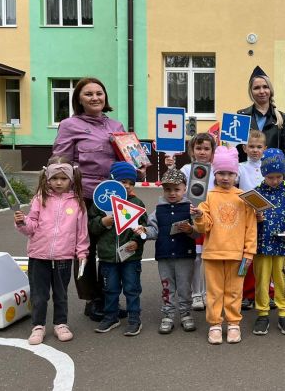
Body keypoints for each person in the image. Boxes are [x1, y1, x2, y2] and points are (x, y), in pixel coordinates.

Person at [52, 77, 125, 321]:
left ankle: (109, 297)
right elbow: (59, 163)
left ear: (105, 97)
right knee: (84, 250)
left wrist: (136, 167)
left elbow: (126, 158)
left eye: (99, 93)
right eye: (88, 94)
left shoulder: (116, 124)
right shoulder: (69, 125)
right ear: (79, 100)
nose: (95, 97)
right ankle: (92, 300)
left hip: (112, 196)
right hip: (83, 197)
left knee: (109, 249)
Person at [14, 157, 89, 345]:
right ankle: (38, 326)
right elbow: (30, 227)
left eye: (63, 178)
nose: (58, 182)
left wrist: (82, 252)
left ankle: (60, 324)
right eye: (54, 178)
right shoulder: (40, 199)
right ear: (47, 178)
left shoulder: (77, 202)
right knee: (39, 294)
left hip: (64, 256)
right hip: (38, 255)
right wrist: (21, 222)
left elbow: (82, 231)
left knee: (61, 294)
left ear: (71, 179)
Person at [191, 146, 257, 345]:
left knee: (235, 291)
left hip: (238, 255)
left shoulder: (245, 197)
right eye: (221, 173)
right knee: (214, 292)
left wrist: (249, 252)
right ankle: (215, 324)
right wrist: (199, 216)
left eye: (230, 173)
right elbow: (204, 227)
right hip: (212, 254)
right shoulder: (207, 196)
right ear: (215, 173)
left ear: (236, 174)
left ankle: (234, 323)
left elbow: (251, 227)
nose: (225, 177)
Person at [89, 162, 148, 336]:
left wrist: (137, 242)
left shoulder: (136, 202)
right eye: (123, 182)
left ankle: (134, 319)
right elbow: (92, 227)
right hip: (108, 257)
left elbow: (143, 227)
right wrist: (103, 222)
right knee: (110, 288)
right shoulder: (100, 204)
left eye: (131, 183)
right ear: (112, 182)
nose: (128, 186)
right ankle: (110, 317)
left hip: (130, 257)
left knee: (132, 288)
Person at [136, 168, 198, 334]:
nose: (172, 193)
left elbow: (198, 232)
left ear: (185, 189)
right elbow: (153, 231)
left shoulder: (190, 209)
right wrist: (144, 231)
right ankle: (168, 315)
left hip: (185, 254)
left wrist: (190, 229)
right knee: (167, 287)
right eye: (167, 189)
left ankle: (186, 314)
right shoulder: (158, 210)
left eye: (177, 189)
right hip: (164, 256)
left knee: (185, 287)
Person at [251, 148, 285, 336]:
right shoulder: (255, 193)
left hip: (283, 246)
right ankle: (262, 313)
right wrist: (255, 218)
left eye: (279, 176)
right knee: (261, 280)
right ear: (264, 174)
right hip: (261, 245)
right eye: (271, 177)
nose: (275, 181)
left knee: (282, 280)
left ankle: (284, 313)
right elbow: (247, 220)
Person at [180, 132, 217, 311]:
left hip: (211, 220)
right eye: (198, 148)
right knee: (196, 258)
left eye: (206, 148)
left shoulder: (217, 170)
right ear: (192, 150)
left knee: (208, 258)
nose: (202, 152)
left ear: (212, 151)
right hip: (193, 219)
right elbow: (178, 191)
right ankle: (196, 294)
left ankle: (207, 293)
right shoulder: (187, 169)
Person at [238, 130, 274, 310]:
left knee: (267, 255)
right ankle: (247, 293)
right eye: (251, 146)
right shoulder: (240, 167)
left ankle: (269, 292)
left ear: (265, 149)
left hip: (266, 218)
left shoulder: (269, 167)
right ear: (244, 148)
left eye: (259, 147)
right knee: (247, 255)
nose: (254, 150)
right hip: (247, 218)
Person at [237, 66, 285, 173]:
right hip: (247, 176)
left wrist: (283, 180)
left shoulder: (280, 118)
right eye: (256, 88)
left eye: (265, 87)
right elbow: (236, 152)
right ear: (251, 91)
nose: (262, 91)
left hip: (272, 177)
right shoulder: (241, 116)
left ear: (270, 90)